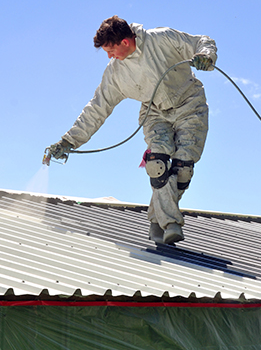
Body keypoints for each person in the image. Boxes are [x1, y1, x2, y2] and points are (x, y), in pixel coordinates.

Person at [48, 16, 217, 244]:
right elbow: (97, 107)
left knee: (183, 168)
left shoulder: (162, 38)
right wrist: (69, 141)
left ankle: (156, 221)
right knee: (157, 164)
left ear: (125, 42)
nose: (109, 56)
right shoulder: (115, 73)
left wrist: (206, 55)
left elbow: (202, 41)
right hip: (154, 112)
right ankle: (171, 223)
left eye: (111, 50)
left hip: (190, 104)